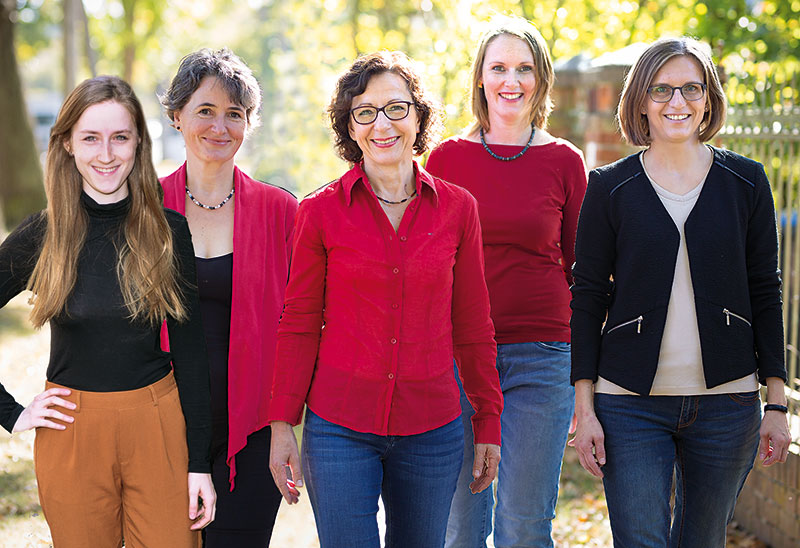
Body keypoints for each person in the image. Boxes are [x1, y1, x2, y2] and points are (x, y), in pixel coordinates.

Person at [267, 50, 503, 548]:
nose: (382, 124)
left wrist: (488, 420)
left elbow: (474, 324)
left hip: (432, 428)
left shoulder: (459, 210)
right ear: (350, 128)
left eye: (397, 108)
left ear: (419, 118)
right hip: (340, 427)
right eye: (365, 112)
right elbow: (300, 322)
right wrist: (282, 423)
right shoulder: (320, 212)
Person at [569, 36, 791, 547]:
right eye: (662, 89)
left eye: (692, 88)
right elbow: (586, 297)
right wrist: (585, 409)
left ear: (708, 97)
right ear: (640, 100)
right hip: (629, 404)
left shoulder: (747, 182)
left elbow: (766, 291)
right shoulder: (609, 187)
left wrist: (776, 403)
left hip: (727, 404)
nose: (677, 102)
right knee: (641, 540)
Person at [0, 76, 215, 547]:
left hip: (157, 425)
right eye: (90, 138)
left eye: (120, 137)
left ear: (138, 143)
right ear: (67, 146)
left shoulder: (168, 232)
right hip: (71, 429)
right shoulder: (43, 235)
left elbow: (192, 353)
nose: (106, 154)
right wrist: (10, 412)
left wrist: (199, 462)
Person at [426, 16, 587, 548]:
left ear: (540, 79)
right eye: (498, 68)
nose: (510, 80)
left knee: (523, 524)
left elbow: (580, 270)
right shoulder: (446, 159)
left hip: (542, 355)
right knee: (460, 525)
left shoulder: (565, 162)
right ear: (480, 78)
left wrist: (585, 381)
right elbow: (430, 262)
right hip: (458, 356)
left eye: (523, 68)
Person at [159, 48, 298, 547]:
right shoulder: (144, 211)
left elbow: (300, 326)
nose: (220, 127)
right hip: (160, 428)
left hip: (254, 433)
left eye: (234, 114)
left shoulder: (281, 211)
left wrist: (286, 425)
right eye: (205, 111)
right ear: (177, 116)